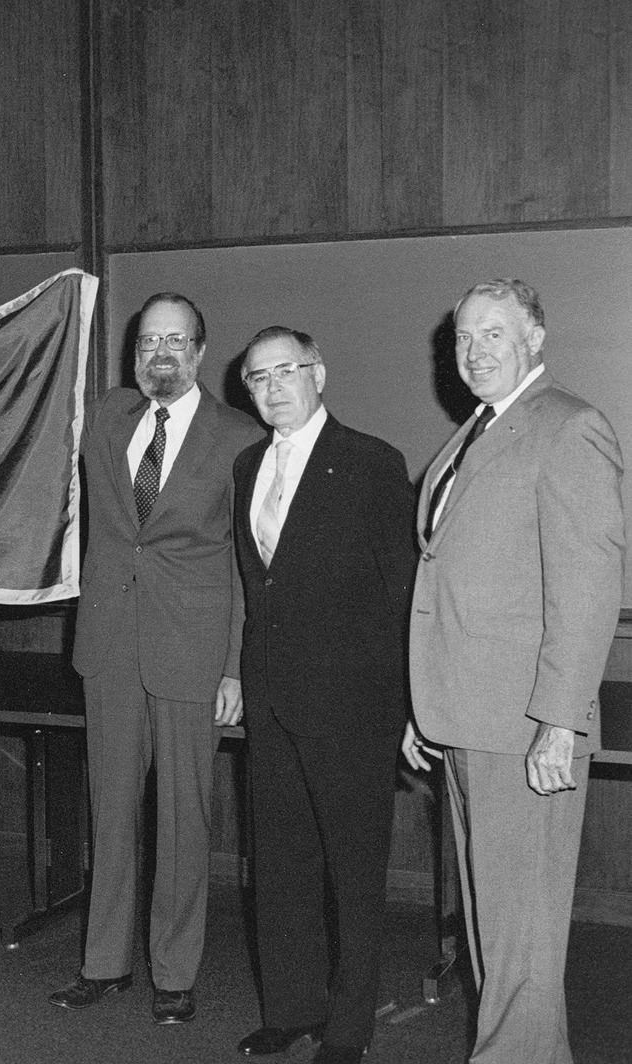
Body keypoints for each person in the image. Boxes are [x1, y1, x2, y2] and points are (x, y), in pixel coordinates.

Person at [404, 279, 624, 1064]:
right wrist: (420, 704)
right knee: (497, 930)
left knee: (519, 935)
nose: (474, 351)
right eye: (464, 337)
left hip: (524, 723)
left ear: (535, 338)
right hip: (464, 716)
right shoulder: (476, 432)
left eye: (494, 334)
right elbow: (444, 575)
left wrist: (560, 720)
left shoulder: (569, 427)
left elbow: (588, 588)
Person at [55, 293, 264, 1022]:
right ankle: (103, 963)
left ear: (202, 352)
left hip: (194, 652)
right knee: (109, 811)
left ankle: (175, 973)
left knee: (183, 818)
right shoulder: (105, 419)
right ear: (131, 354)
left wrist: (236, 665)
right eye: (147, 343)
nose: (160, 355)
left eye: (176, 341)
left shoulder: (240, 437)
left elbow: (248, 566)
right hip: (108, 644)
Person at [230, 328, 416, 1064]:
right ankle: (293, 1010)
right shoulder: (247, 465)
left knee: (353, 868)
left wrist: (407, 707)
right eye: (257, 377)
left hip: (353, 704)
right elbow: (258, 585)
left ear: (319, 374)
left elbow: (403, 592)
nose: (274, 387)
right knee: (280, 861)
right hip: (271, 696)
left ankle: (348, 1029)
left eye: (287, 371)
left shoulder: (370, 463)